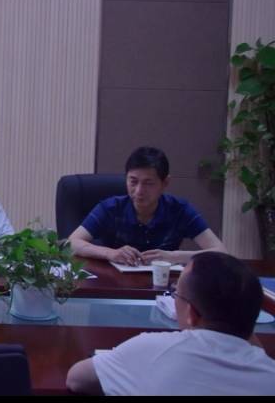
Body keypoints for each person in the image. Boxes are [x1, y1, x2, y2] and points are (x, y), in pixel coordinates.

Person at [66, 252, 275, 395]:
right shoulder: (269, 374)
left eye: (176, 294)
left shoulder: (150, 350)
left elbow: (77, 378)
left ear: (191, 313)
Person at [68, 147, 225, 266]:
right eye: (133, 181)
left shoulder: (180, 210)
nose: (139, 191)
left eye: (148, 183)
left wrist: (173, 257)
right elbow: (71, 243)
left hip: (163, 287)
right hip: (115, 285)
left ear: (165, 183)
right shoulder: (110, 208)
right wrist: (111, 253)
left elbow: (221, 252)